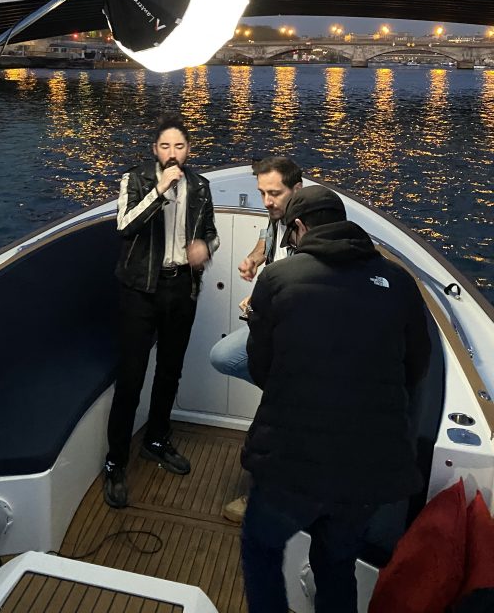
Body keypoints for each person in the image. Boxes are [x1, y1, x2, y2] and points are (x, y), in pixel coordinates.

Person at [240, 186, 431, 613]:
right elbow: (416, 369)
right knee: (337, 563)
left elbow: (260, 369)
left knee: (261, 548)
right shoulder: (399, 282)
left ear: (300, 228)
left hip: (290, 463)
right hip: (369, 469)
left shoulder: (277, 278)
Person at [103, 115, 219, 509]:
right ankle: (116, 460)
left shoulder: (201, 187)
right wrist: (159, 190)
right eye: (166, 146)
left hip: (180, 287)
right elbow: (124, 227)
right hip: (139, 289)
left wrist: (206, 247)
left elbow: (211, 232)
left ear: (189, 151)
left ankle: (156, 438)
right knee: (131, 377)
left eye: (180, 147)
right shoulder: (134, 180)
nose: (173, 153)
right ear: (155, 150)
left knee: (171, 369)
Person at [209, 156, 302, 522]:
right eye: (262, 192)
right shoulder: (276, 213)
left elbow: (311, 282)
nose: (266, 200)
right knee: (223, 356)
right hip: (268, 325)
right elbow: (268, 237)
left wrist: (264, 298)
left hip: (293, 332)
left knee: (272, 419)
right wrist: (253, 257)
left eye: (274, 193)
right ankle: (289, 400)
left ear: (297, 189)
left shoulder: (307, 224)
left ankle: (262, 499)